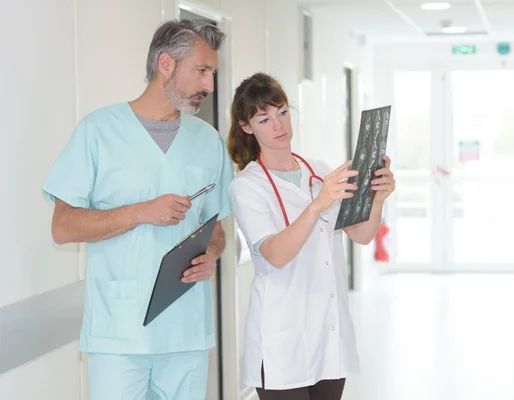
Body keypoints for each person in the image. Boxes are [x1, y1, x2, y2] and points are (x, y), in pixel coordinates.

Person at [42, 20, 234, 400]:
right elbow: (62, 227)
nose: (209, 86)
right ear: (166, 64)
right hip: (119, 334)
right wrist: (141, 211)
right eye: (201, 71)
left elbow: (216, 229)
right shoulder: (98, 131)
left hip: (186, 331)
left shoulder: (208, 141)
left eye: (212, 73)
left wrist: (212, 253)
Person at [226, 73, 396, 399]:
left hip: (328, 335)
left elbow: (361, 234)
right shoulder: (247, 187)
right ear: (247, 127)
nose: (278, 125)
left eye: (282, 112)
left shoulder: (318, 171)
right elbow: (275, 253)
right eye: (264, 118)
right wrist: (318, 204)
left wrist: (378, 199)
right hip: (280, 340)